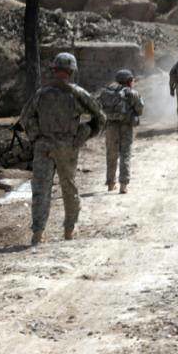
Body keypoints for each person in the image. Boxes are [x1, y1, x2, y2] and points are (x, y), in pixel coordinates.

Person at [19, 53, 106, 246]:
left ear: (55, 69)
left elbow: (25, 118)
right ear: (72, 71)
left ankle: (38, 234)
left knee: (41, 189)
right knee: (69, 187)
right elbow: (100, 117)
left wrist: (36, 137)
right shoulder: (78, 93)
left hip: (43, 147)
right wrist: (84, 134)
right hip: (67, 147)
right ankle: (69, 230)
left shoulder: (42, 92)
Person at [99, 69, 145, 194]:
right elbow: (140, 110)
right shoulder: (132, 93)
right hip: (126, 127)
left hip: (110, 127)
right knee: (125, 154)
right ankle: (123, 185)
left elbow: (99, 106)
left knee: (111, 154)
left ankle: (110, 183)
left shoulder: (107, 92)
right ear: (129, 81)